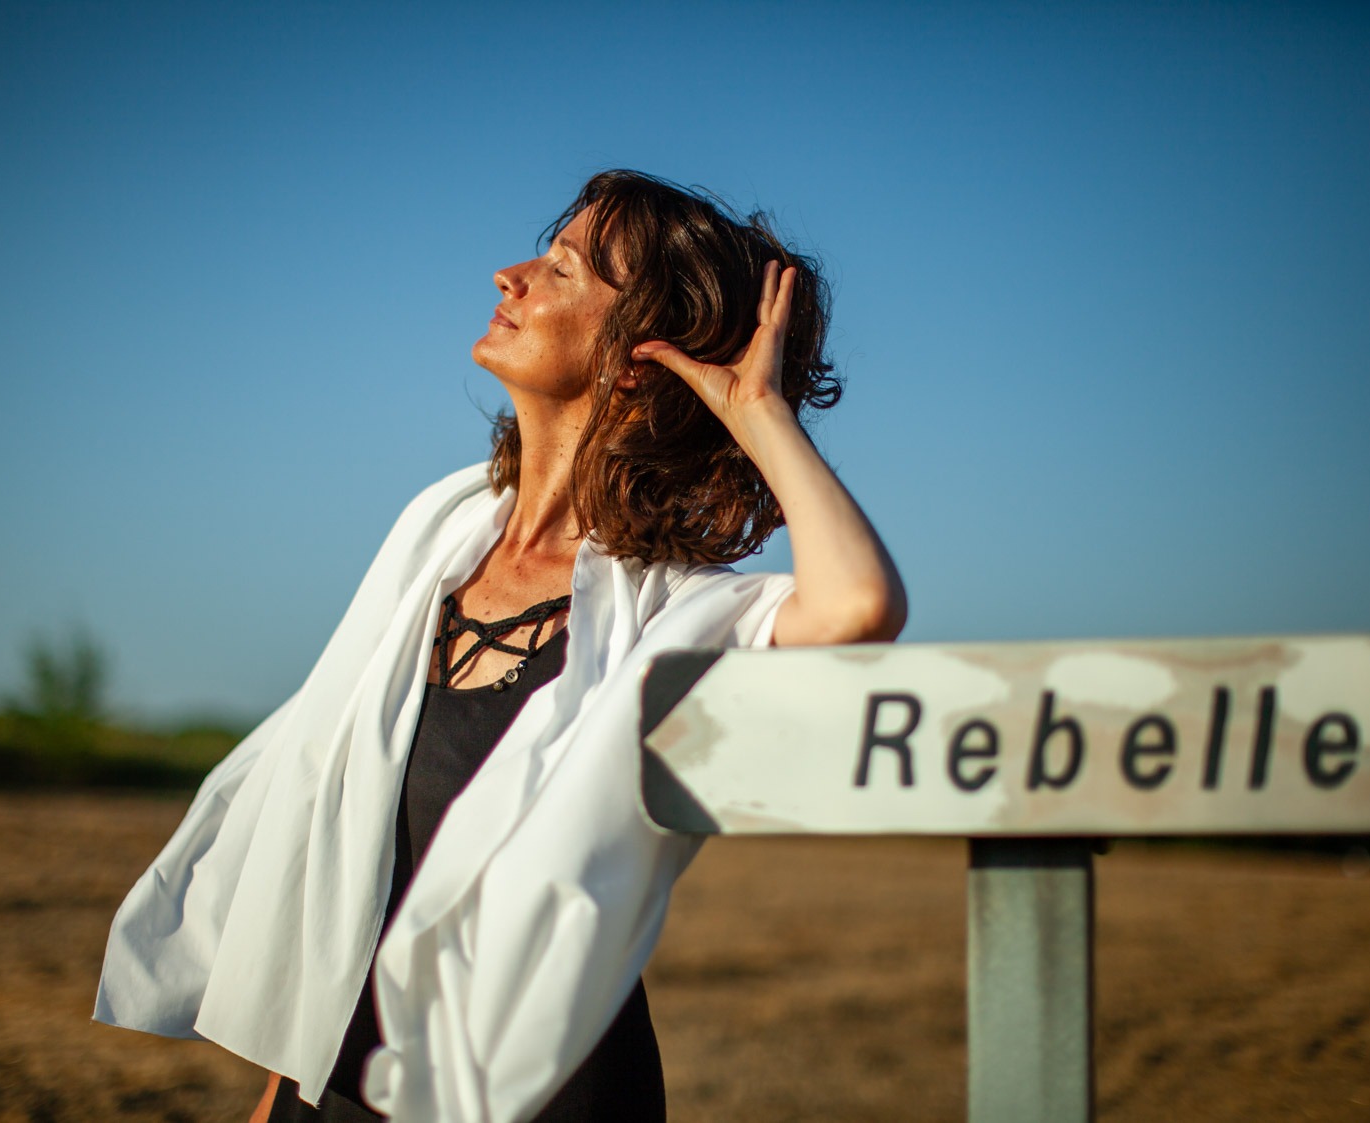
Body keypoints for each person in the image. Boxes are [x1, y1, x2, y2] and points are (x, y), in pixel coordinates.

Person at [94, 170, 906, 1122]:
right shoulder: (434, 539)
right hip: (343, 1083)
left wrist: (756, 411)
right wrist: (280, 1089)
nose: (507, 276)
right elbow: (343, 857)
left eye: (560, 266)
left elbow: (855, 605)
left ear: (637, 354)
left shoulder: (673, 613)